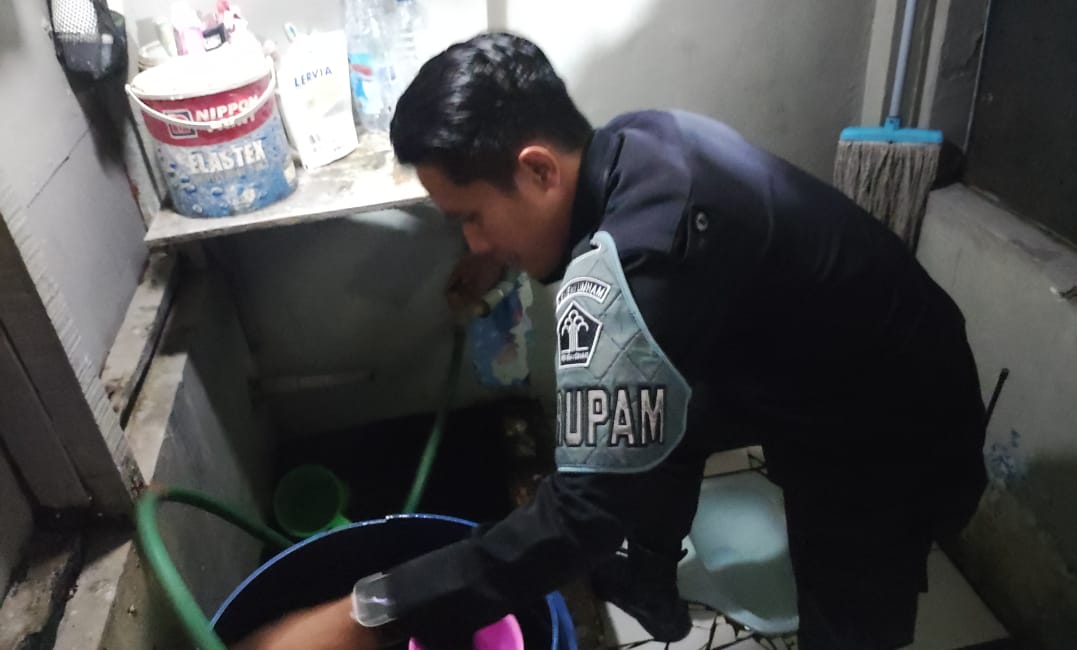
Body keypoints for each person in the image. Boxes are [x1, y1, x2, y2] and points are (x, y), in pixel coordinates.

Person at [235, 32, 988, 649]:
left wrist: (369, 613)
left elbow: (580, 513)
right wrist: (495, 254)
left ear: (537, 170)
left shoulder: (646, 260)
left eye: (471, 217)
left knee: (848, 608)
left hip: (889, 417)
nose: (472, 240)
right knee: (661, 415)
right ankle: (652, 582)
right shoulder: (633, 144)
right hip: (822, 351)